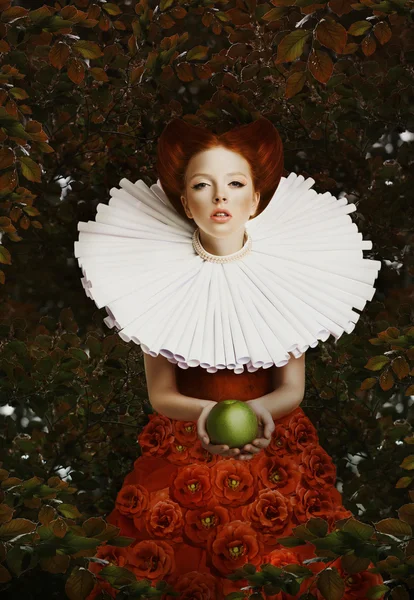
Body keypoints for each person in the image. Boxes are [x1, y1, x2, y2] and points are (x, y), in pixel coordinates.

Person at [75, 118, 383, 599]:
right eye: (203, 185)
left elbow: (291, 387)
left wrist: (259, 414)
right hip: (183, 447)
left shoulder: (290, 274)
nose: (220, 197)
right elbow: (160, 394)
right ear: (185, 201)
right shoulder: (149, 278)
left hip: (273, 442)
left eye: (235, 184)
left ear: (255, 199)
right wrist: (206, 415)